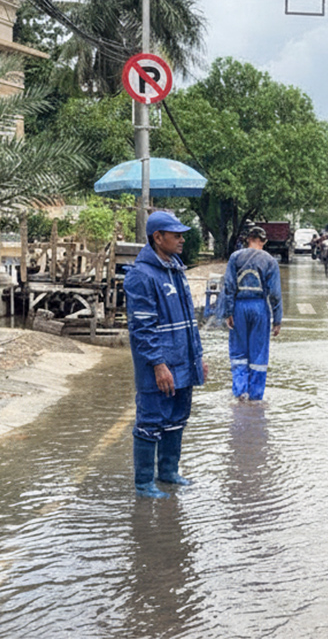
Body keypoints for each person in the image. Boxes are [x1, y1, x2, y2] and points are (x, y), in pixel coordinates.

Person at [123, 210, 208, 499]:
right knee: (151, 420)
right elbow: (142, 328)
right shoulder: (142, 276)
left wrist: (198, 357)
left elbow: (190, 322)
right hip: (158, 365)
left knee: (177, 417)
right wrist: (158, 365)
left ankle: (169, 472)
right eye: (176, 235)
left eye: (182, 235)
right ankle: (144, 483)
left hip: (183, 360)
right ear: (158, 238)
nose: (182, 240)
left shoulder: (176, 269)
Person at [223, 225, 283, 401]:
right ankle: (256, 398)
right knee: (259, 353)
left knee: (238, 352)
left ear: (247, 239)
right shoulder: (270, 261)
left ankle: (240, 393)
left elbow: (228, 286)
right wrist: (277, 320)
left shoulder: (235, 257)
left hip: (239, 307)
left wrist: (228, 312)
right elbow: (275, 293)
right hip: (259, 308)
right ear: (264, 241)